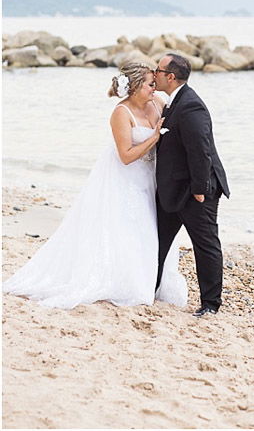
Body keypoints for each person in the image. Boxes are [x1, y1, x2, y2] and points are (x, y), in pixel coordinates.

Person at [3, 63, 187, 309]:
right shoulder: (121, 113)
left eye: (155, 83)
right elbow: (125, 155)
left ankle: (154, 279)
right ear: (133, 87)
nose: (155, 89)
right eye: (150, 84)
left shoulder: (159, 103)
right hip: (127, 177)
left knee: (154, 229)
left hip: (152, 177)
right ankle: (128, 281)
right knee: (132, 229)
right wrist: (154, 138)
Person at [153, 54, 230, 317]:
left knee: (205, 245)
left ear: (170, 76)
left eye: (158, 70)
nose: (154, 73)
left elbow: (201, 151)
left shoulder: (191, 106)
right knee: (157, 242)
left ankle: (211, 304)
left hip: (196, 191)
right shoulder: (172, 102)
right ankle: (148, 289)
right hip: (172, 190)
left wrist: (199, 190)